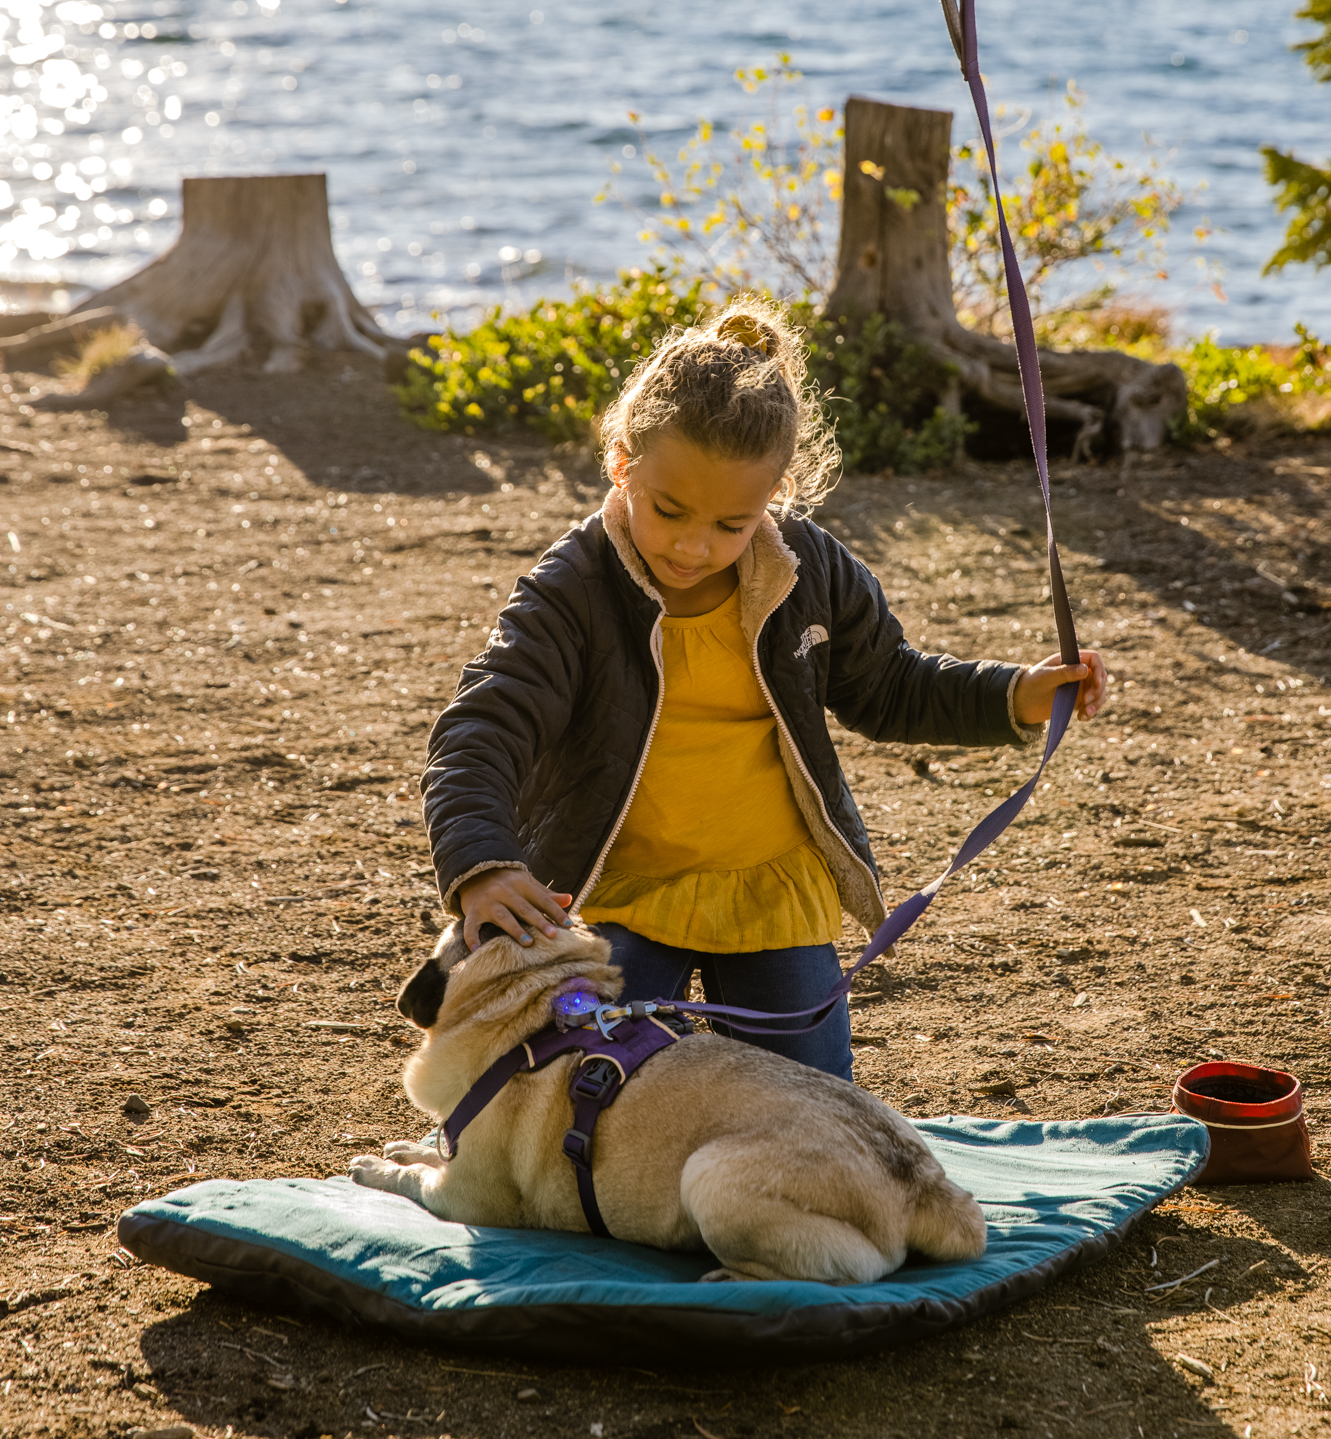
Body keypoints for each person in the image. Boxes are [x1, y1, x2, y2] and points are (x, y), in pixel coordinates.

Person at [420, 297, 1106, 1079]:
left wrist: (1013, 694)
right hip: (618, 892)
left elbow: (888, 685)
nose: (693, 545)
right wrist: (482, 864)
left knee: (810, 1103)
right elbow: (482, 730)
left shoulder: (810, 569)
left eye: (731, 524)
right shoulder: (568, 589)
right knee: (585, 1094)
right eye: (669, 510)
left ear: (773, 497)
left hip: (773, 894)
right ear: (620, 463)